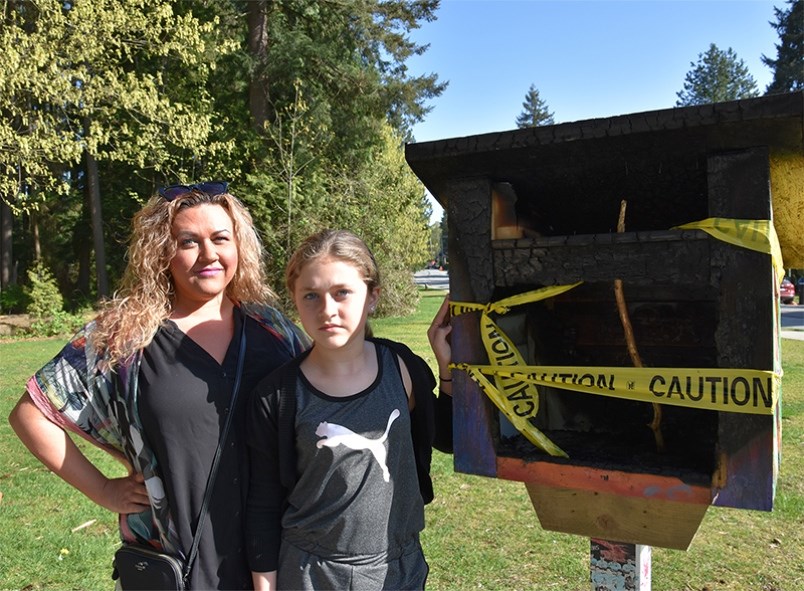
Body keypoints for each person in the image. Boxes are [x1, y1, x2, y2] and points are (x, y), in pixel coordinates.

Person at [8, 181, 309, 590]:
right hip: (174, 561)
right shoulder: (123, 336)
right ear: (162, 252)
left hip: (274, 563)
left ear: (239, 245)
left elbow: (328, 399)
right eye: (189, 241)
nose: (209, 254)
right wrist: (103, 489)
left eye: (221, 238)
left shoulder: (273, 331)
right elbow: (31, 414)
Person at [245, 228, 453, 591]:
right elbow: (262, 503)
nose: (327, 310)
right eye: (311, 295)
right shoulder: (276, 395)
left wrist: (449, 370)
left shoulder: (402, 368)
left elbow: (449, 439)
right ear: (294, 299)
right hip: (311, 573)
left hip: (397, 570)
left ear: (372, 296)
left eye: (342, 292)